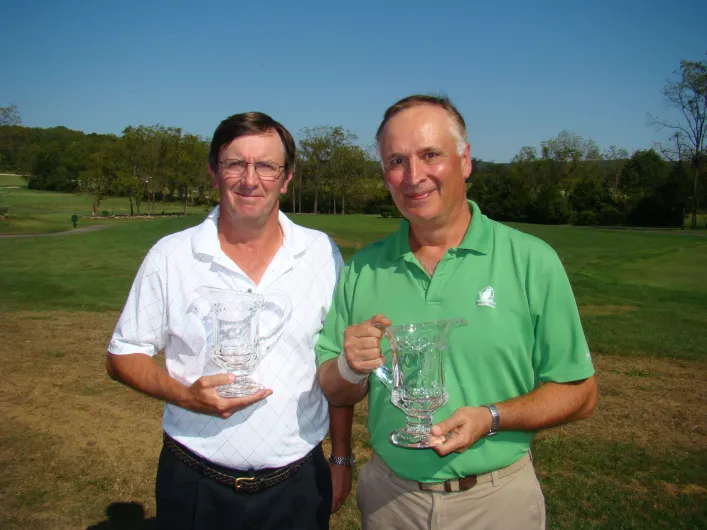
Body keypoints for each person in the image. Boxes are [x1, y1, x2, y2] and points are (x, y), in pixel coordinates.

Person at [316, 95, 598, 530]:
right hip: (391, 500)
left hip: (498, 501)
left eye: (431, 155)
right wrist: (350, 368)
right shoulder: (362, 269)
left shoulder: (530, 260)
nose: (414, 176)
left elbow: (580, 393)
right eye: (396, 160)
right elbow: (334, 390)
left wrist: (492, 418)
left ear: (465, 161)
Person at [107, 112, 354, 530]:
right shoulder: (171, 255)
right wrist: (186, 396)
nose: (249, 179)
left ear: (287, 177)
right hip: (195, 481)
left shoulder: (321, 253)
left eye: (266, 166)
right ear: (214, 172)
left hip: (298, 482)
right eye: (235, 163)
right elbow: (122, 355)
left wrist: (342, 456)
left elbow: (335, 359)